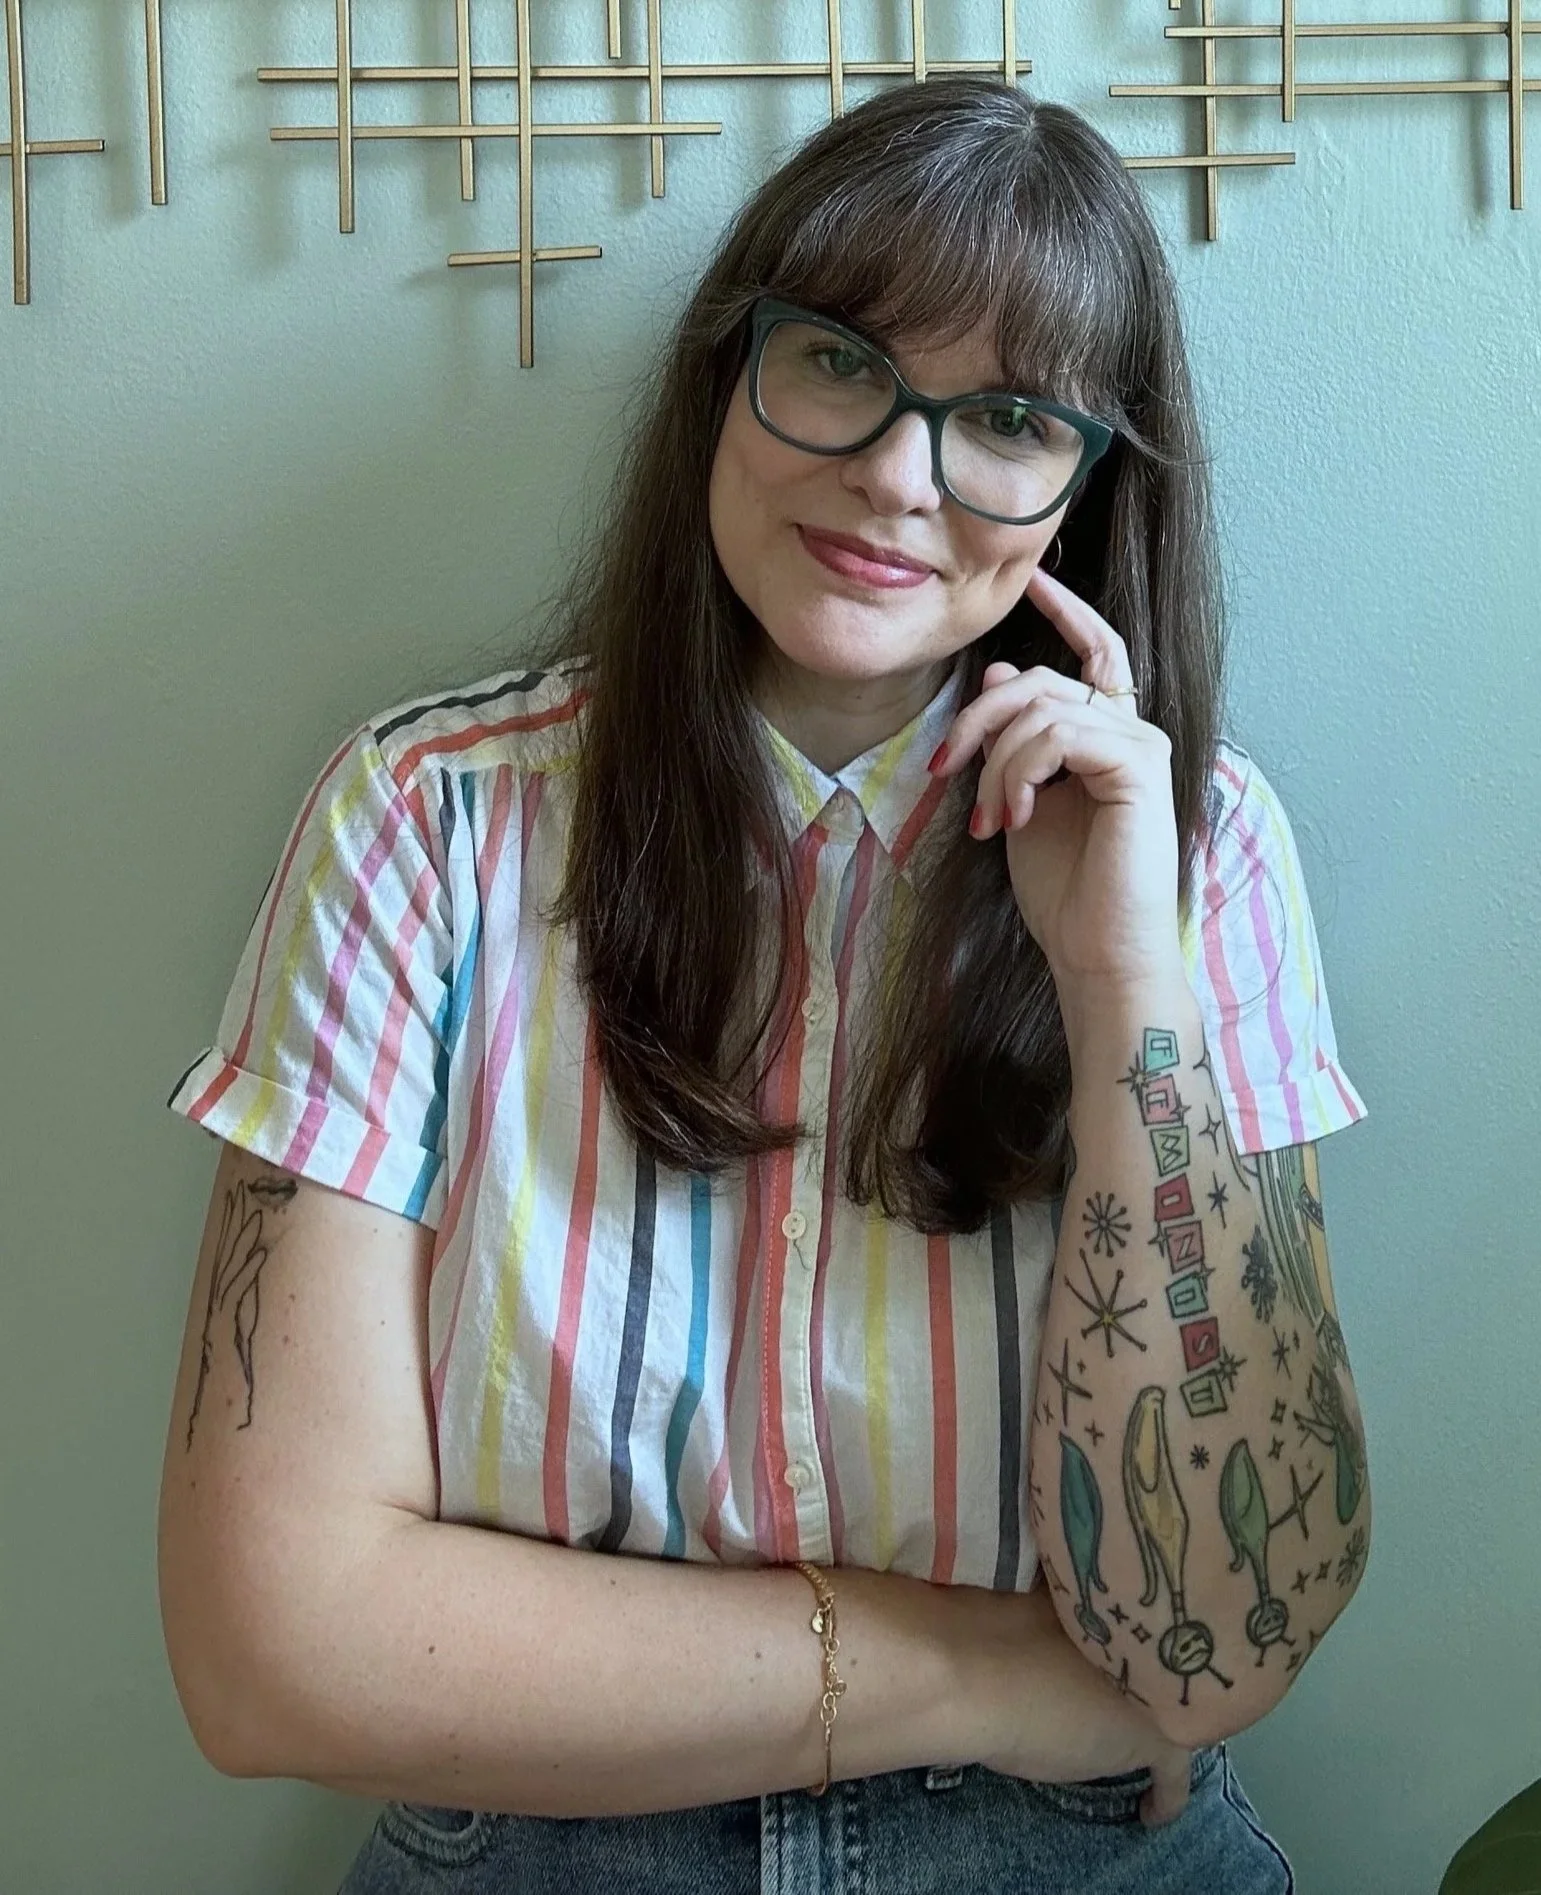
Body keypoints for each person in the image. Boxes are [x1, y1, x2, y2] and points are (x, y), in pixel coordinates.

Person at [157, 77, 1371, 1894]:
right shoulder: (427, 823)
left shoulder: (1206, 851)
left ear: (1084, 485)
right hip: (551, 1842)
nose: (901, 473)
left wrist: (1127, 980)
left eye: (1012, 419)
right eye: (842, 365)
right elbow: (278, 1653)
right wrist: (986, 1673)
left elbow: (1229, 1624)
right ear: (728, 374)